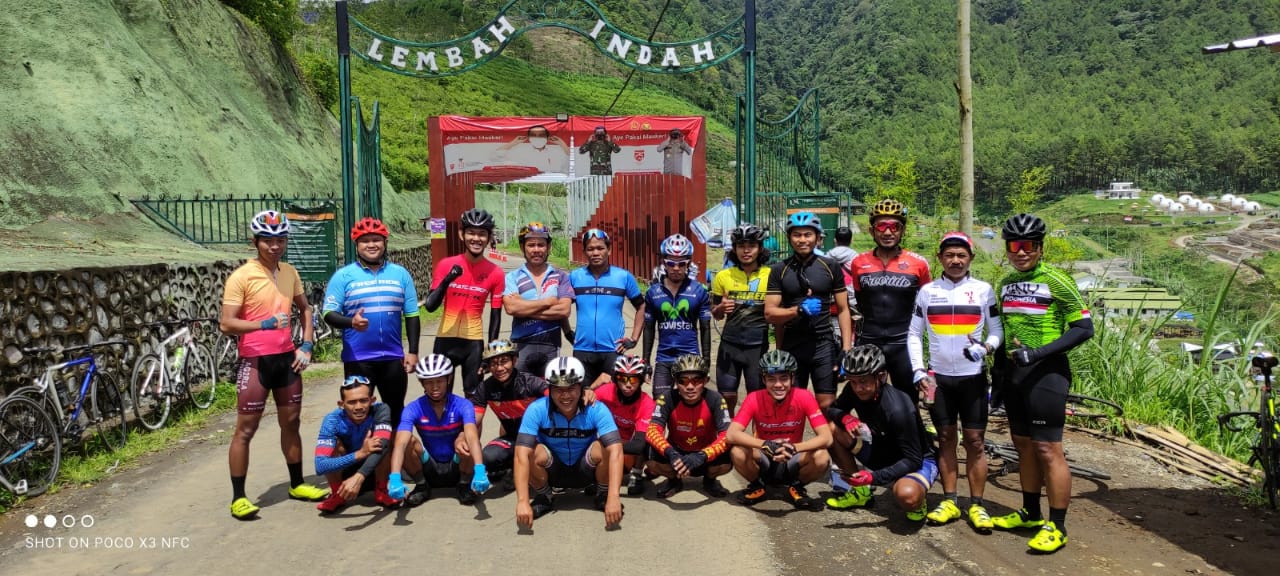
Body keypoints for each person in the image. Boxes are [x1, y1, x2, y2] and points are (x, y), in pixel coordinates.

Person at [991, 213, 1094, 553]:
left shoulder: (1056, 280)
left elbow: (1083, 329)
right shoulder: (1005, 283)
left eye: (1029, 245)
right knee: (1023, 447)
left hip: (1047, 375)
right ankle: (1031, 513)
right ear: (1007, 248)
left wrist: (1038, 354)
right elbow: (1003, 334)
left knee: (1048, 449)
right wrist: (998, 378)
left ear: (1040, 247)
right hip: (1015, 377)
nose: (1021, 252)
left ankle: (1058, 526)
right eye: (1014, 245)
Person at [219, 210, 327, 520]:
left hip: (286, 359)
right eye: (268, 241)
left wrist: (306, 345)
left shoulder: (290, 272)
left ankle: (297, 484)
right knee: (246, 430)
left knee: (291, 424)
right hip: (255, 362)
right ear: (255, 242)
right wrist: (264, 324)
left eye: (280, 240)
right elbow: (226, 324)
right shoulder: (241, 276)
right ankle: (239, 497)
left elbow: (305, 310)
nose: (275, 246)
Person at [907, 232, 1003, 530]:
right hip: (939, 380)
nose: (956, 260)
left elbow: (997, 330)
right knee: (946, 438)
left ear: (971, 258)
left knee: (975, 442)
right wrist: (919, 371)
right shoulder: (927, 291)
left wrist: (985, 348)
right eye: (950, 255)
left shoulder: (984, 290)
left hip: (972, 378)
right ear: (940, 259)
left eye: (962, 255)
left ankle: (977, 505)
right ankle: (949, 500)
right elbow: (913, 334)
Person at [322, 217, 420, 427]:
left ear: (385, 243)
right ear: (356, 245)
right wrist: (351, 322)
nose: (372, 245)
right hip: (358, 359)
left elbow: (412, 314)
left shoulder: (400, 274)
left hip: (393, 358)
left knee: (395, 412)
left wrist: (413, 351)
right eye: (365, 240)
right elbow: (328, 313)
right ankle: (362, 457)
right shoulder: (343, 276)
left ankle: (396, 458)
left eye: (377, 239)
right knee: (359, 415)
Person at [825, 345, 938, 521]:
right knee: (831, 429)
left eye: (863, 381)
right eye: (852, 381)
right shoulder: (853, 389)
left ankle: (918, 499)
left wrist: (872, 477)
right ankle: (860, 492)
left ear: (881, 376)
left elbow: (913, 459)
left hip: (916, 459)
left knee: (907, 495)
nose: (857, 388)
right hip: (881, 449)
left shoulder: (899, 408)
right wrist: (846, 418)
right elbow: (832, 410)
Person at [514, 357, 625, 529]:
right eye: (558, 389)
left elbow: (616, 451)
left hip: (585, 469)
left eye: (571, 388)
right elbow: (520, 455)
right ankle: (545, 496)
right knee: (529, 450)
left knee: (603, 447)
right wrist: (522, 501)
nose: (565, 395)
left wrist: (614, 496)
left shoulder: (596, 409)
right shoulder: (537, 409)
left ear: (581, 387)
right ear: (549, 389)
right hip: (553, 470)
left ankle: (602, 493)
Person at [764, 211, 853, 411]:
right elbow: (769, 313)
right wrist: (798, 310)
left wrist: (846, 349)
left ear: (817, 237)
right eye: (797, 235)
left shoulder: (830, 266)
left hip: (823, 343)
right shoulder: (779, 269)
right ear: (789, 238)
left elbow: (843, 309)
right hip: (792, 344)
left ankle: (828, 443)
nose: (802, 240)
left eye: (807, 235)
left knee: (827, 404)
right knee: (790, 405)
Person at [727, 350, 833, 510]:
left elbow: (827, 437)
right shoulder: (753, 398)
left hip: (792, 457)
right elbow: (731, 434)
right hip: (765, 459)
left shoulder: (804, 396)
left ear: (792, 378)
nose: (778, 385)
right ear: (764, 379)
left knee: (822, 456)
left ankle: (797, 487)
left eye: (784, 378)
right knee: (737, 451)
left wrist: (795, 448)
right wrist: (765, 444)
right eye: (771, 379)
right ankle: (757, 486)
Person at [849, 198, 933, 399]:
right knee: (870, 397)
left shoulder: (918, 263)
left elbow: (925, 304)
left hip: (903, 341)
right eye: (882, 226)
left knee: (907, 399)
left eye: (894, 226)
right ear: (872, 231)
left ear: (903, 230)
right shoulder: (858, 263)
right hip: (869, 339)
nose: (888, 232)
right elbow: (860, 301)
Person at [422, 208, 504, 405]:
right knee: (439, 398)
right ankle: (445, 436)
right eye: (471, 233)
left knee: (474, 400)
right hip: (445, 340)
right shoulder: (446, 265)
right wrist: (448, 279)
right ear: (461, 234)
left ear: (489, 237)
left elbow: (496, 315)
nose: (476, 238)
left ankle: (470, 437)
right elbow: (430, 306)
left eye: (482, 234)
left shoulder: (496, 273)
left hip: (473, 344)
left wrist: (490, 354)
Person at [386, 354, 491, 507]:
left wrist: (480, 469)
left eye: (439, 381)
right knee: (408, 441)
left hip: (457, 466)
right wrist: (395, 476)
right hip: (430, 467)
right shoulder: (413, 408)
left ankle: (463, 484)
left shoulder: (463, 405)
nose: (434, 387)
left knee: (466, 441)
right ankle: (422, 486)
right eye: (428, 382)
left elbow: (473, 437)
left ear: (448, 380)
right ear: (422, 383)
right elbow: (400, 444)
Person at [645, 355, 733, 498]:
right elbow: (652, 430)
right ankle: (674, 481)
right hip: (676, 455)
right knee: (646, 450)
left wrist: (703, 455)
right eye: (683, 381)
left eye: (696, 380)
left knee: (733, 450)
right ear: (675, 382)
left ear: (706, 380)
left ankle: (710, 480)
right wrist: (670, 453)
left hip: (705, 455)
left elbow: (726, 435)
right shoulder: (666, 398)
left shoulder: (715, 399)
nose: (690, 387)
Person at [569, 228, 645, 387]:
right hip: (582, 350)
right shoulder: (575, 277)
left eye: (600, 248)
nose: (595, 253)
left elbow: (641, 306)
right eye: (590, 249)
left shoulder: (623, 277)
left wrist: (634, 338)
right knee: (582, 399)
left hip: (613, 350)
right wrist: (567, 331)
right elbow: (561, 305)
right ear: (584, 252)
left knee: (611, 399)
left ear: (609, 250)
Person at [313, 375, 399, 513]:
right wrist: (360, 453)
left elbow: (382, 445)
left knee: (384, 442)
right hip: (347, 471)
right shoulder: (331, 420)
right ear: (341, 404)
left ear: (372, 400)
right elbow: (320, 466)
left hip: (374, 468)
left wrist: (360, 476)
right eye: (352, 402)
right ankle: (338, 494)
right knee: (335, 445)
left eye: (364, 401)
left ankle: (381, 490)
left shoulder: (381, 410)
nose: (358, 407)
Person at [470, 339, 549, 490]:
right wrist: (462, 437)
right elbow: (473, 422)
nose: (499, 368)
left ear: (514, 360)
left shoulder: (531, 382)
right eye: (493, 363)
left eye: (504, 361)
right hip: (514, 438)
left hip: (541, 438)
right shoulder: (485, 388)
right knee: (488, 456)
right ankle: (512, 468)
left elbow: (557, 399)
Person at [710, 223, 772, 413]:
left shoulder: (771, 275)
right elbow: (715, 312)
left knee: (757, 397)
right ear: (734, 249)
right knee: (726, 396)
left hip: (757, 345)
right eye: (741, 246)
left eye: (751, 246)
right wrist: (720, 308)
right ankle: (727, 436)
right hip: (730, 344)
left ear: (760, 248)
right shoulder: (722, 276)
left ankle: (756, 438)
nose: (746, 251)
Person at [643, 234, 712, 398]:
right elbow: (648, 329)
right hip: (664, 357)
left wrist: (706, 359)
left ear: (688, 263)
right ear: (664, 263)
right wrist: (646, 361)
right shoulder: (653, 292)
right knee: (659, 402)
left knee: (688, 405)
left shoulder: (699, 290)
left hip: (690, 357)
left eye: (681, 263)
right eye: (671, 263)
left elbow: (705, 327)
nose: (676, 268)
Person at [503, 222, 574, 379]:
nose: (536, 250)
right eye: (531, 245)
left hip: (550, 345)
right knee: (520, 397)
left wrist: (524, 308)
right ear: (523, 247)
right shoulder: (512, 276)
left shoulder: (560, 276)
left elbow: (564, 310)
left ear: (548, 248)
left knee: (551, 394)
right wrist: (547, 302)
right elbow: (511, 309)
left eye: (541, 245)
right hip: (520, 345)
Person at [592, 354, 656, 496]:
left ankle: (637, 474)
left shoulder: (647, 403)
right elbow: (581, 402)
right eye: (622, 379)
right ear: (616, 379)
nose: (628, 384)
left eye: (633, 379)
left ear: (640, 380)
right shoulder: (606, 391)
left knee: (649, 440)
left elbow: (639, 445)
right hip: (608, 442)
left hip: (626, 447)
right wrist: (592, 386)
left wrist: (608, 446)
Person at [495, 124, 570, 174]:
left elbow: (570, 165)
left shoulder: (556, 152)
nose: (537, 138)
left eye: (541, 135)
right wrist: (513, 143)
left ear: (547, 138)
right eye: (533, 135)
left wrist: (562, 144)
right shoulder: (520, 151)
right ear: (529, 138)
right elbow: (495, 157)